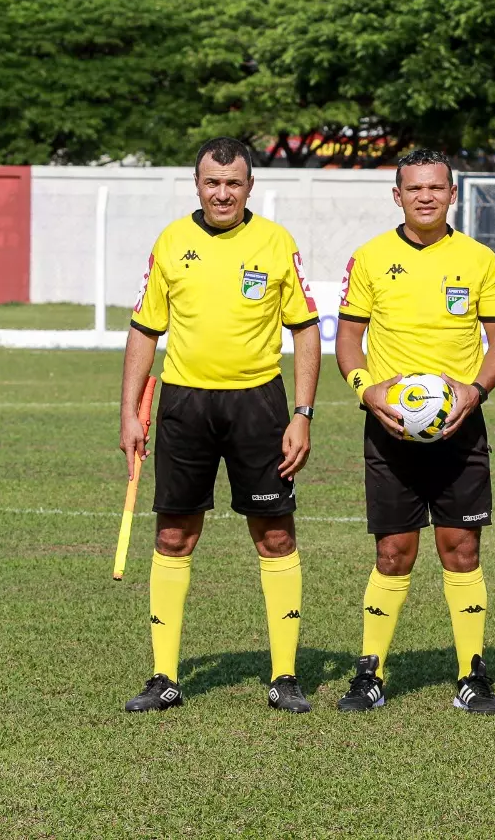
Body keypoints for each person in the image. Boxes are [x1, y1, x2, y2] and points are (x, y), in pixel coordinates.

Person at [120, 137, 321, 713]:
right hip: (184, 405)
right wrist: (130, 411)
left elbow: (306, 329)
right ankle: (164, 677)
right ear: (197, 184)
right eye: (213, 182)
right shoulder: (172, 241)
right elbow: (144, 330)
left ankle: (284, 675)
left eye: (234, 183)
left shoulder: (276, 242)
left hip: (259, 404)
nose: (223, 192)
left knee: (275, 535)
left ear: (250, 186)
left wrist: (302, 415)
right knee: (173, 536)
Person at [334, 149, 495, 715]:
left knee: (460, 548)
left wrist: (475, 391)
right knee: (393, 551)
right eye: (414, 189)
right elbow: (347, 339)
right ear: (397, 196)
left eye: (437, 188)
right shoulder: (368, 258)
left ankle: (471, 672)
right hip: (390, 429)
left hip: (460, 425)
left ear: (453, 193)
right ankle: (370, 671)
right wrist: (366, 390)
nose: (426, 197)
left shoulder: (481, 260)